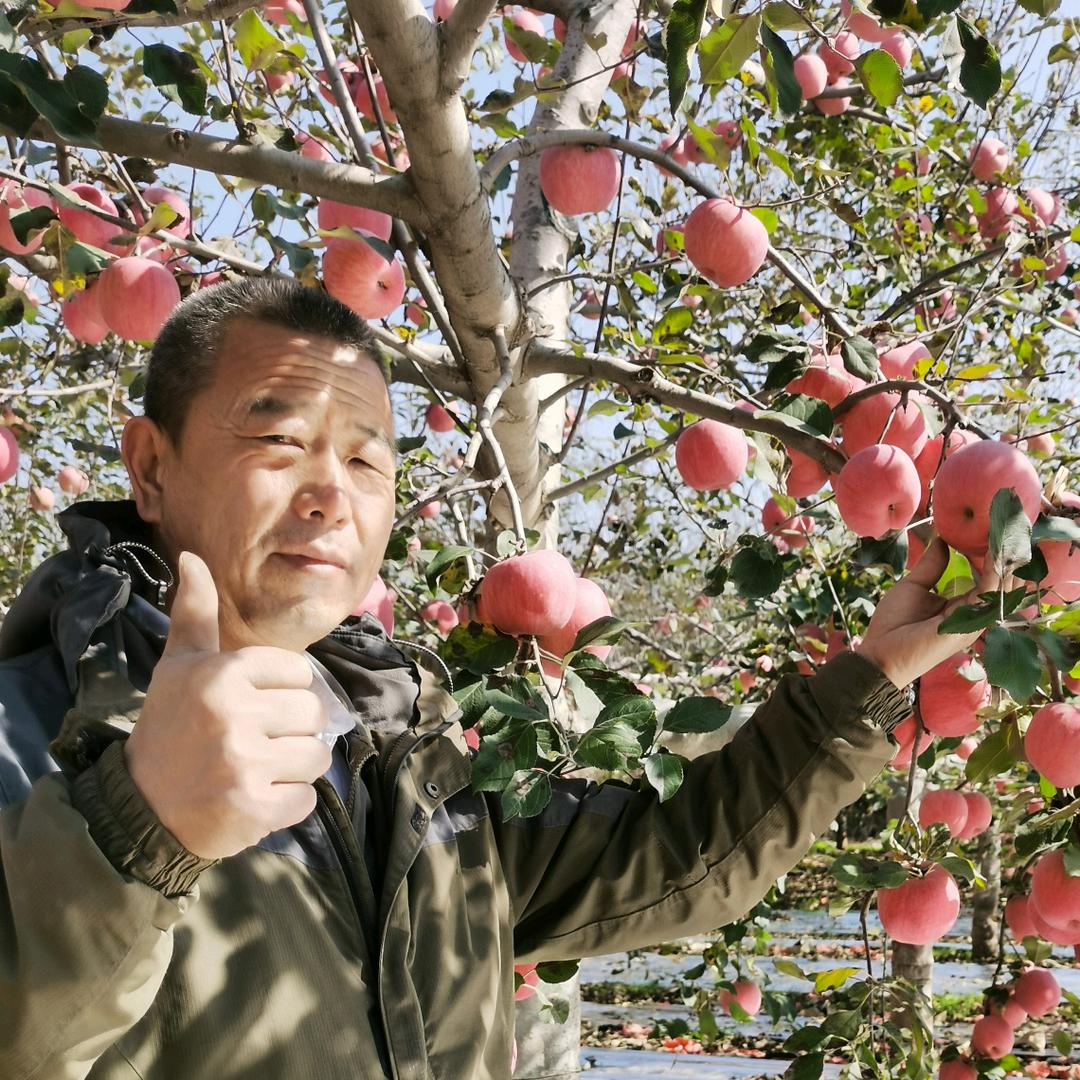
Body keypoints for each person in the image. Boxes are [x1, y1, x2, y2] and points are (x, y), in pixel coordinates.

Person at [0, 278, 992, 1079]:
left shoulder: (407, 761)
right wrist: (134, 833)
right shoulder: (27, 742)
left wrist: (873, 675)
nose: (330, 496)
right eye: (279, 439)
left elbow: (678, 852)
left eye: (365, 459)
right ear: (150, 465)